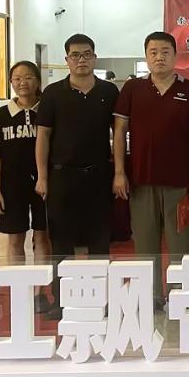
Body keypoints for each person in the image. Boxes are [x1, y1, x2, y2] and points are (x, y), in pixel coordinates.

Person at [112, 32, 189, 309]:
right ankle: (150, 296)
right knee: (145, 244)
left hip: (179, 182)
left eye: (165, 51)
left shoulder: (188, 90)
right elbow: (120, 132)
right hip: (141, 180)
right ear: (146, 56)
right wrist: (119, 172)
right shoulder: (133, 89)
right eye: (153, 52)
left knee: (180, 244)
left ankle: (179, 295)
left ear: (175, 56)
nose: (159, 57)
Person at [35, 34, 119, 319]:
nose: (81, 60)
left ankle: (99, 299)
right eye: (75, 55)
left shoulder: (109, 91)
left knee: (99, 242)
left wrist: (119, 172)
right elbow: (43, 137)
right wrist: (42, 177)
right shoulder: (53, 93)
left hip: (98, 176)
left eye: (86, 54)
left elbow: (118, 133)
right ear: (67, 60)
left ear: (94, 57)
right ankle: (62, 300)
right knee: (61, 243)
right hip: (62, 178)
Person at [0, 60, 52, 313]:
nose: (23, 83)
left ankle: (39, 291)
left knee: (42, 236)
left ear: (37, 81)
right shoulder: (2, 114)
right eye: (17, 78)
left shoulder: (47, 110)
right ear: (11, 82)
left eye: (28, 77)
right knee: (15, 238)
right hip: (12, 186)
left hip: (43, 184)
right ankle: (19, 290)